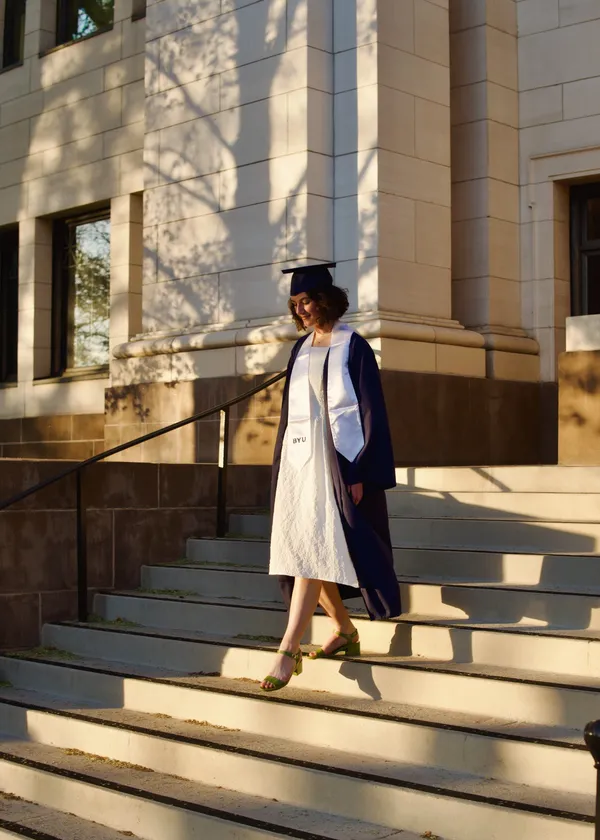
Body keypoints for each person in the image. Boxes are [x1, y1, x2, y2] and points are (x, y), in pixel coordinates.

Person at [260, 262, 401, 692]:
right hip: (300, 465)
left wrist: (358, 469)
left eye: (306, 302)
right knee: (302, 548)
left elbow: (368, 411)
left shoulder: (352, 345)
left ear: (325, 301)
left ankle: (288, 649)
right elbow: (291, 414)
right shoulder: (300, 349)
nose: (300, 310)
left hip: (338, 464)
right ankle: (344, 629)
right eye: (295, 304)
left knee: (311, 549)